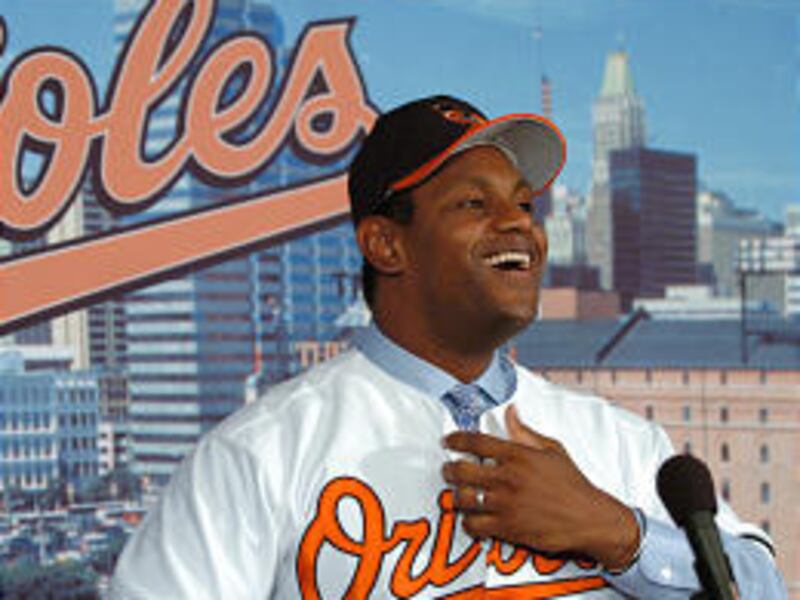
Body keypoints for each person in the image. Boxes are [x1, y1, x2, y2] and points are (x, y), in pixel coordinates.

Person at [111, 95, 786, 598]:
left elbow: (762, 585)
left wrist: (615, 533)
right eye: (473, 204)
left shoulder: (615, 442)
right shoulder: (261, 453)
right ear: (386, 242)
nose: (518, 224)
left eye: (524, 204)